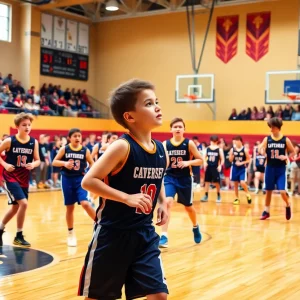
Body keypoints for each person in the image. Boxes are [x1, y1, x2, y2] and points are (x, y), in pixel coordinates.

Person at [78, 79, 168, 300]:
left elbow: (159, 177)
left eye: (156, 101)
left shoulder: (161, 149)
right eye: (148, 103)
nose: (157, 107)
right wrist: (126, 197)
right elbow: (89, 181)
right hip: (112, 234)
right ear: (130, 116)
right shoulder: (122, 146)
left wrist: (163, 202)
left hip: (145, 234)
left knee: (159, 295)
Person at [159, 117, 202, 248]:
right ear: (171, 129)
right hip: (170, 177)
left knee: (188, 207)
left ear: (184, 129)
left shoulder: (189, 143)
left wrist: (188, 162)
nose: (177, 129)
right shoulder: (165, 144)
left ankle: (195, 226)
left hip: (185, 179)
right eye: (175, 127)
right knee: (167, 202)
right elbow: (163, 162)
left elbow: (200, 160)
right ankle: (164, 236)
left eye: (180, 127)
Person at [0, 113, 40, 247]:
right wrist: (5, 165)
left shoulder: (34, 142)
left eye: (29, 125)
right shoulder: (10, 141)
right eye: (24, 125)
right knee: (24, 204)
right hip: (10, 177)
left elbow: (38, 160)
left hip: (24, 178)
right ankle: (18, 235)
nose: (27, 127)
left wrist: (33, 164)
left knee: (15, 208)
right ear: (17, 126)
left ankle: (0, 229)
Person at [52, 128, 96, 247]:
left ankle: (99, 224)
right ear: (69, 138)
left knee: (85, 203)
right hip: (67, 180)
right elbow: (54, 162)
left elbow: (92, 163)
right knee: (70, 208)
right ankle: (70, 233)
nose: (77, 138)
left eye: (79, 136)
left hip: (80, 180)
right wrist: (64, 163)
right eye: (75, 136)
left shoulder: (85, 150)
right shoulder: (65, 149)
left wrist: (90, 173)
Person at [259, 117, 295, 220]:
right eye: (270, 127)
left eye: (273, 127)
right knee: (268, 190)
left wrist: (286, 157)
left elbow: (293, 152)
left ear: (278, 128)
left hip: (280, 169)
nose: (271, 129)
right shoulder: (267, 139)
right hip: (269, 168)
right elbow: (260, 148)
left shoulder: (285, 139)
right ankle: (266, 211)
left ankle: (288, 204)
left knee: (282, 191)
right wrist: (262, 152)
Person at [201, 135, 224, 203]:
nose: (213, 143)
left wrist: (220, 165)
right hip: (209, 167)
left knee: (216, 182)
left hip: (215, 167)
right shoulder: (207, 149)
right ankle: (206, 195)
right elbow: (203, 157)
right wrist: (204, 162)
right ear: (210, 141)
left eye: (214, 141)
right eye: (212, 141)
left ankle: (218, 195)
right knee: (207, 182)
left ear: (217, 141)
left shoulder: (219, 149)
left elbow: (222, 160)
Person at [229, 136, 252, 205]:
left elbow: (248, 160)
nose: (235, 142)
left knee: (242, 182)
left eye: (236, 141)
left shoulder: (245, 150)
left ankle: (247, 193)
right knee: (235, 184)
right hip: (234, 168)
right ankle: (237, 198)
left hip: (242, 168)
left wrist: (241, 163)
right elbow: (230, 160)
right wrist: (232, 156)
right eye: (234, 141)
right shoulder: (232, 149)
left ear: (240, 141)